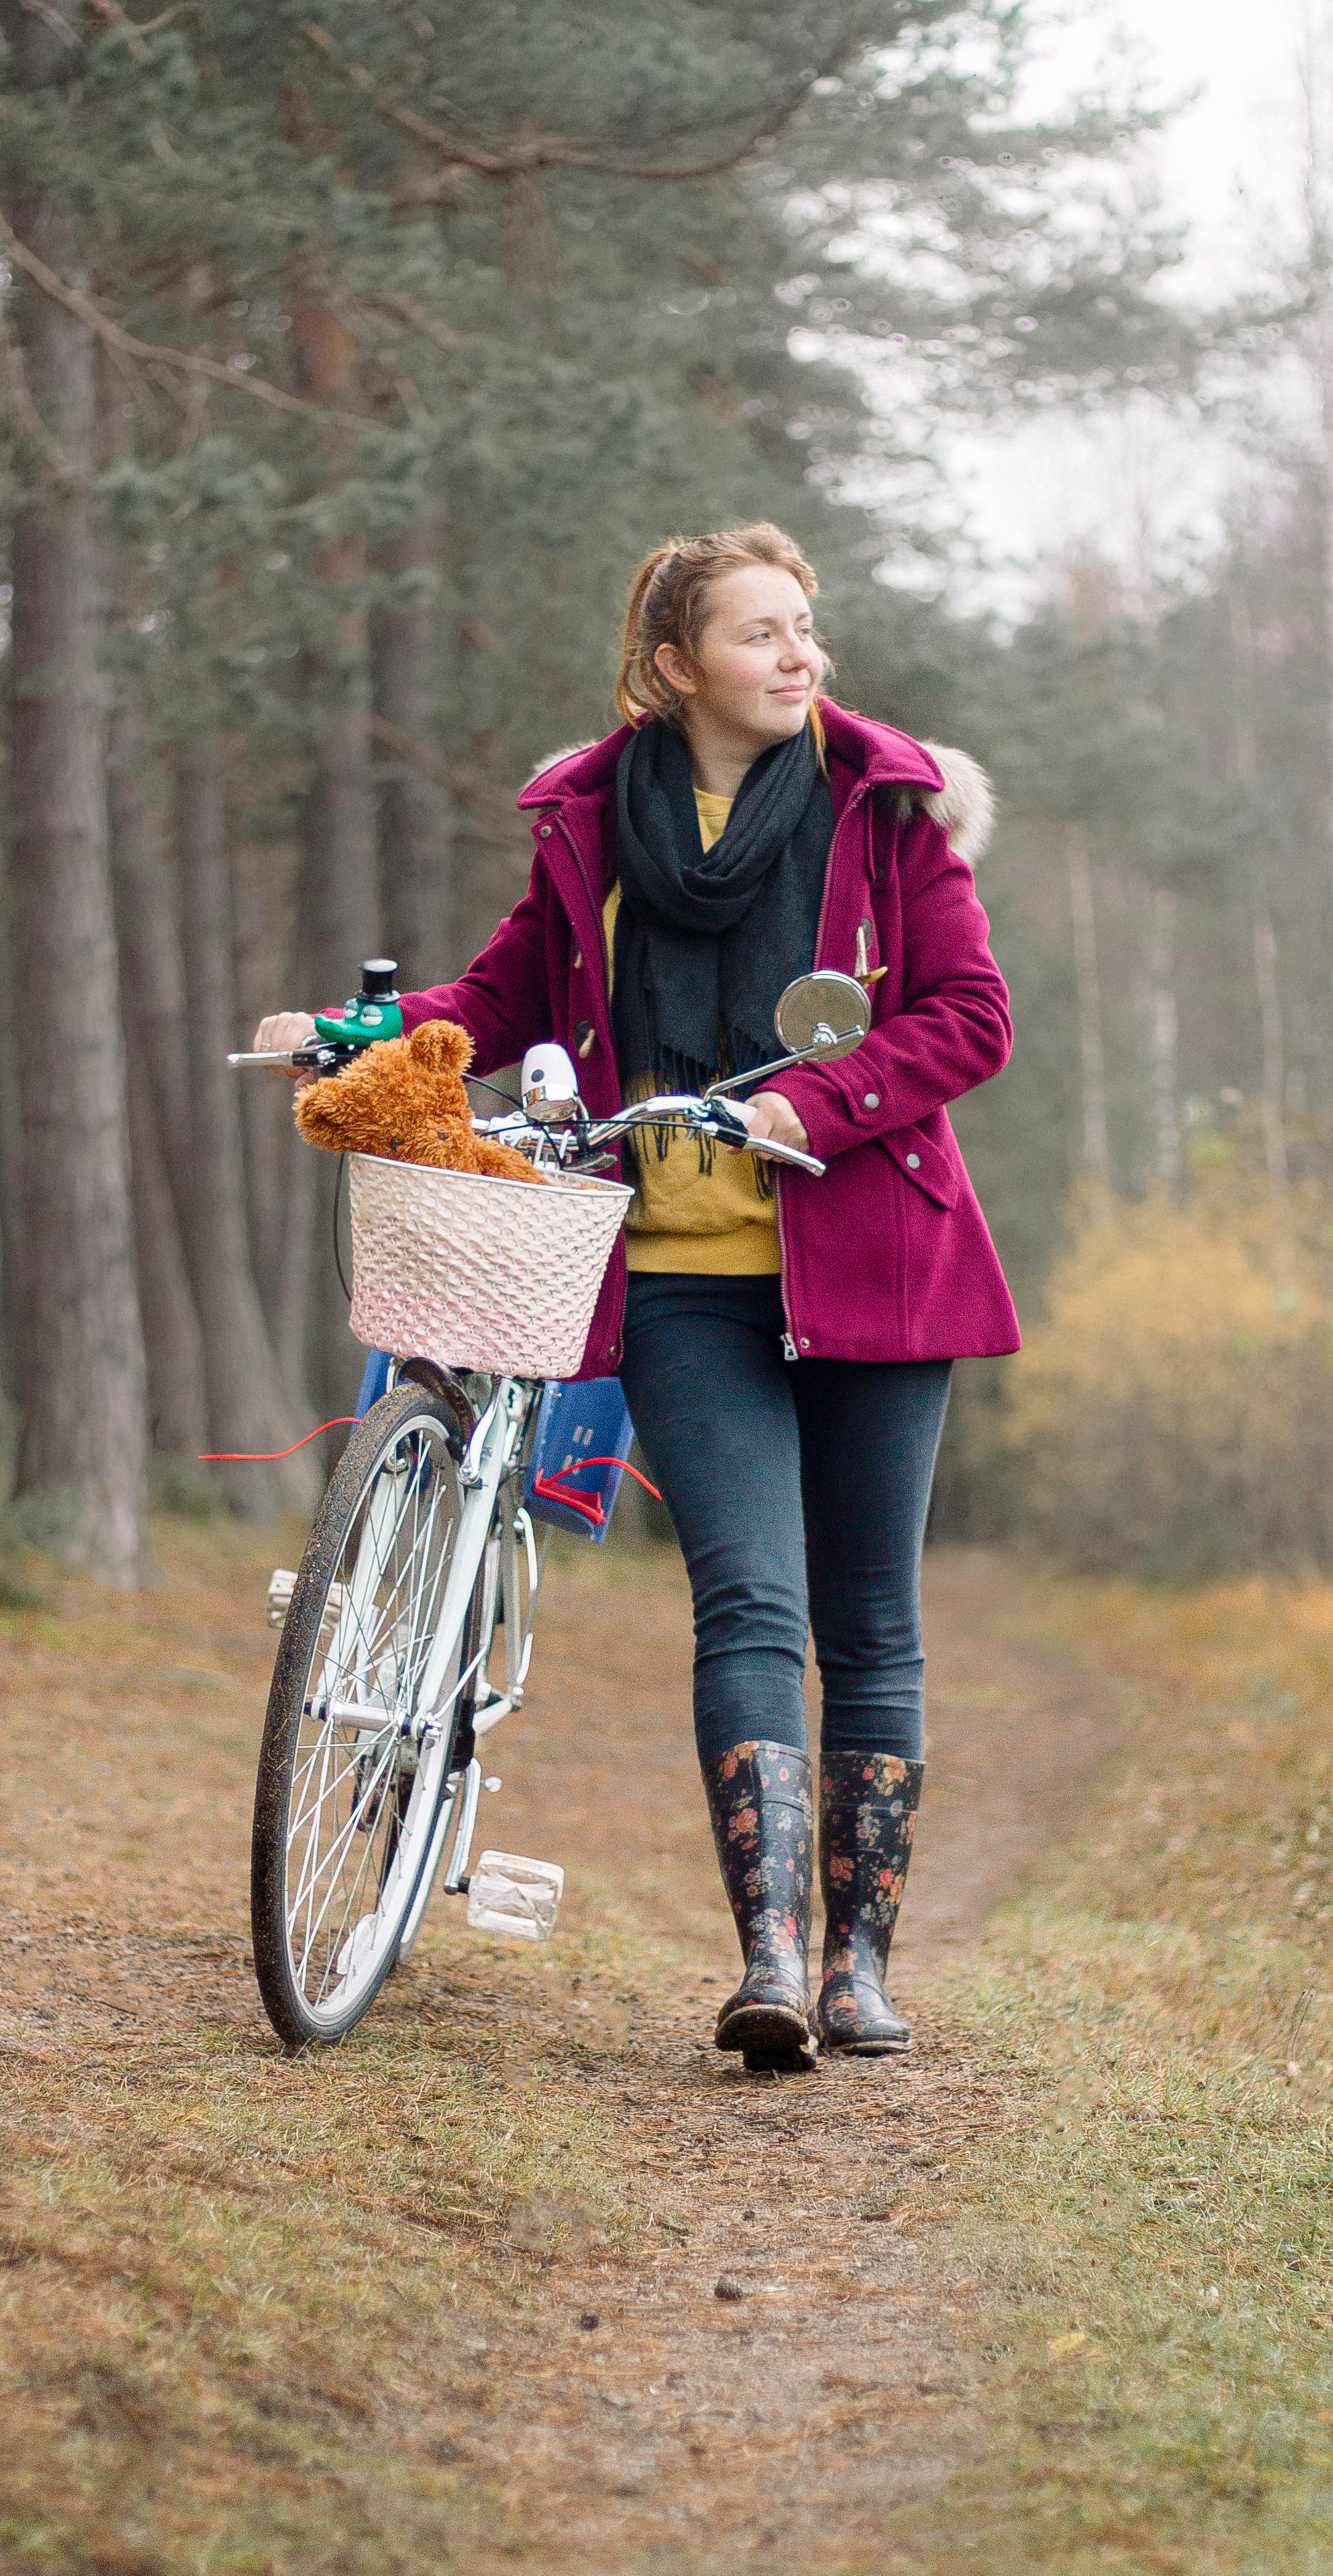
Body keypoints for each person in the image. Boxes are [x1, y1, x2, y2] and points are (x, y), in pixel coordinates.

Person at [255, 522, 1018, 2072]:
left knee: (870, 1624)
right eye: (759, 634)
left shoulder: (890, 811)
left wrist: (822, 1104)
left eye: (805, 628)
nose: (797, 655)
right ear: (673, 669)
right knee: (748, 1599)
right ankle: (773, 1964)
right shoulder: (592, 821)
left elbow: (967, 1017)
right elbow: (504, 995)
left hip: (876, 1261)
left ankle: (865, 1968)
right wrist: (373, 1035)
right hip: (677, 1277)